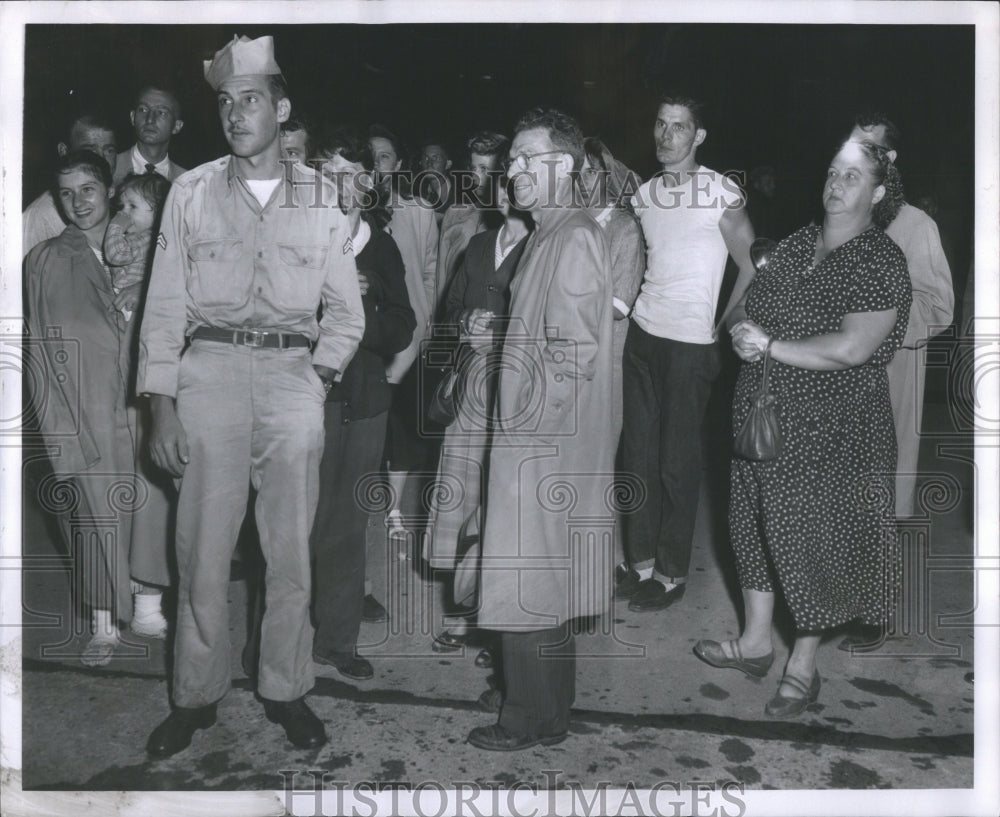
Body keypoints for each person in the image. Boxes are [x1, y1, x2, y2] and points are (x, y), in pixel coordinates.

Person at [138, 35, 364, 758]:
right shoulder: (191, 191)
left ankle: (285, 687)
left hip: (293, 380)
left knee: (288, 552)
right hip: (207, 377)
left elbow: (347, 313)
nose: (237, 114)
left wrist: (318, 375)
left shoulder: (323, 199)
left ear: (282, 108)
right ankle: (195, 696)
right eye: (227, 102)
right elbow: (164, 308)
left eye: (253, 99)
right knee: (200, 552)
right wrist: (161, 403)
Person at [694, 138, 912, 717]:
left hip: (833, 424)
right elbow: (747, 302)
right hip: (763, 414)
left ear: (878, 192)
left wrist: (770, 344)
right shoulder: (795, 243)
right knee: (753, 524)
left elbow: (853, 347)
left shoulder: (879, 259)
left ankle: (804, 666)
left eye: (854, 177)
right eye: (833, 171)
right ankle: (755, 642)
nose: (837, 184)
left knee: (812, 540)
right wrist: (742, 330)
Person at [467, 107, 614, 751]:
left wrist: (528, 444)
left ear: (570, 167)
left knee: (523, 579)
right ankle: (548, 711)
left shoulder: (572, 235)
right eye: (513, 161)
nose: (516, 171)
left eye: (531, 159)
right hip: (539, 438)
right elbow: (543, 330)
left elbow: (571, 352)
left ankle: (526, 718)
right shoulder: (549, 233)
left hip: (540, 444)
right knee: (544, 579)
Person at [25, 151, 172, 666]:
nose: (77, 203)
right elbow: (39, 354)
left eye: (87, 189)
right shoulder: (43, 261)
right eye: (65, 193)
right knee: (96, 514)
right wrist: (60, 435)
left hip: (143, 404)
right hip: (86, 409)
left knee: (153, 500)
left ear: (108, 190)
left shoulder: (153, 246)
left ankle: (148, 603)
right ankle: (104, 622)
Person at [620, 93, 755, 610]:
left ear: (698, 137)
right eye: (660, 123)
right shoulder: (645, 195)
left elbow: (751, 262)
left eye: (679, 127)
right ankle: (640, 564)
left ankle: (672, 573)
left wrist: (725, 323)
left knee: (676, 462)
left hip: (691, 344)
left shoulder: (721, 191)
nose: (666, 135)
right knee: (637, 456)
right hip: (642, 335)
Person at [308, 127, 416, 679]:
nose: (340, 185)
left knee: (349, 524)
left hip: (365, 403)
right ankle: (276, 641)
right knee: (295, 519)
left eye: (352, 174)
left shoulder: (382, 244)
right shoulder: (299, 235)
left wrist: (364, 309)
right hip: (306, 398)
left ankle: (336, 638)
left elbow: (404, 326)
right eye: (329, 173)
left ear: (369, 182)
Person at [424, 172, 532, 663]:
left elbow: (553, 322)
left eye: (518, 180)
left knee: (505, 505)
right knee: (465, 495)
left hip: (517, 392)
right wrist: (464, 322)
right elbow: (448, 311)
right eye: (502, 182)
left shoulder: (543, 246)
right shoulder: (480, 242)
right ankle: (465, 612)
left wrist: (505, 332)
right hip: (471, 391)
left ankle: (501, 626)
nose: (507, 191)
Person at [849, 114, 954, 520]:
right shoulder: (834, 220)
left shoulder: (915, 224)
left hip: (890, 380)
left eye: (867, 148)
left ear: (889, 158)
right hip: (835, 382)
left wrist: (868, 326)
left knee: (882, 503)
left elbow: (937, 308)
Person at [576, 137, 645, 591]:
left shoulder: (624, 230)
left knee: (600, 463)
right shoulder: (568, 224)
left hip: (607, 365)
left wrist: (560, 304)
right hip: (569, 361)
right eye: (575, 173)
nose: (581, 182)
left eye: (589, 172)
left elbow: (618, 305)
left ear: (608, 177)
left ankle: (611, 564)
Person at [368, 124, 439, 541]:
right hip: (360, 333)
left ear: (399, 165)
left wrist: (424, 319)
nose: (377, 165)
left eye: (386, 157)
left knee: (402, 424)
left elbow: (429, 270)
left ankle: (394, 508)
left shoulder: (419, 211)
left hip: (406, 334)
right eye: (371, 157)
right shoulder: (346, 208)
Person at [22, 110, 119, 257]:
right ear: (64, 151)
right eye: (89, 151)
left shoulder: (123, 197)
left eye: (109, 150)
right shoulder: (40, 216)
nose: (102, 159)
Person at [434, 131, 508, 315]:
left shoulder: (511, 223)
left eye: (484, 169)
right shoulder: (455, 214)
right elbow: (440, 280)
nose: (476, 178)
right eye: (473, 169)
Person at [103, 173, 172, 322]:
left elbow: (116, 255)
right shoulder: (131, 237)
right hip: (125, 301)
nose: (123, 212)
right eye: (122, 206)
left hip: (141, 307)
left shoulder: (149, 238)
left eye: (132, 206)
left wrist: (115, 226)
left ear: (159, 212)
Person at [113, 85, 186, 184]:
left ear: (177, 126)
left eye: (161, 113)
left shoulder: (186, 181)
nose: (150, 119)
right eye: (143, 110)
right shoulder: (111, 169)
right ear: (132, 117)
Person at [417, 138, 454, 224]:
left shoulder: (461, 199)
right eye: (426, 158)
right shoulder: (416, 196)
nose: (429, 163)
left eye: (436, 158)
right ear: (420, 163)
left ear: (448, 164)